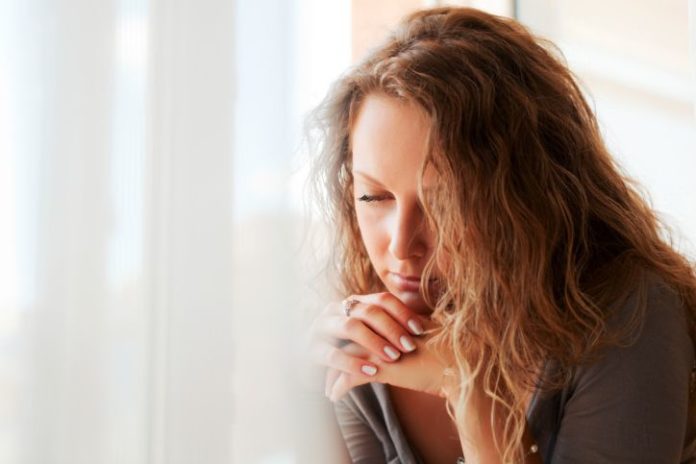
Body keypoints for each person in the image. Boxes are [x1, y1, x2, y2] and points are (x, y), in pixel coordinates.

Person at [304, 6, 696, 464]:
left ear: (527, 196)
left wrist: (469, 391)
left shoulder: (626, 317)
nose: (399, 245)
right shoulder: (365, 330)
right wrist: (313, 403)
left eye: (445, 203)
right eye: (374, 198)